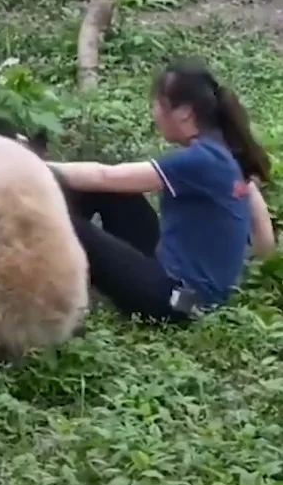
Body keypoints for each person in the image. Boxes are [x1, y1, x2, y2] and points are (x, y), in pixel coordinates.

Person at [49, 56, 275, 324]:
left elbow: (104, 174)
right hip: (174, 275)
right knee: (110, 194)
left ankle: (44, 294)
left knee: (66, 224)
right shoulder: (224, 152)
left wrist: (27, 164)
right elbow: (258, 213)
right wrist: (261, 271)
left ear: (184, 113)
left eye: (156, 104)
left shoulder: (200, 160)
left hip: (175, 302)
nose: (154, 112)